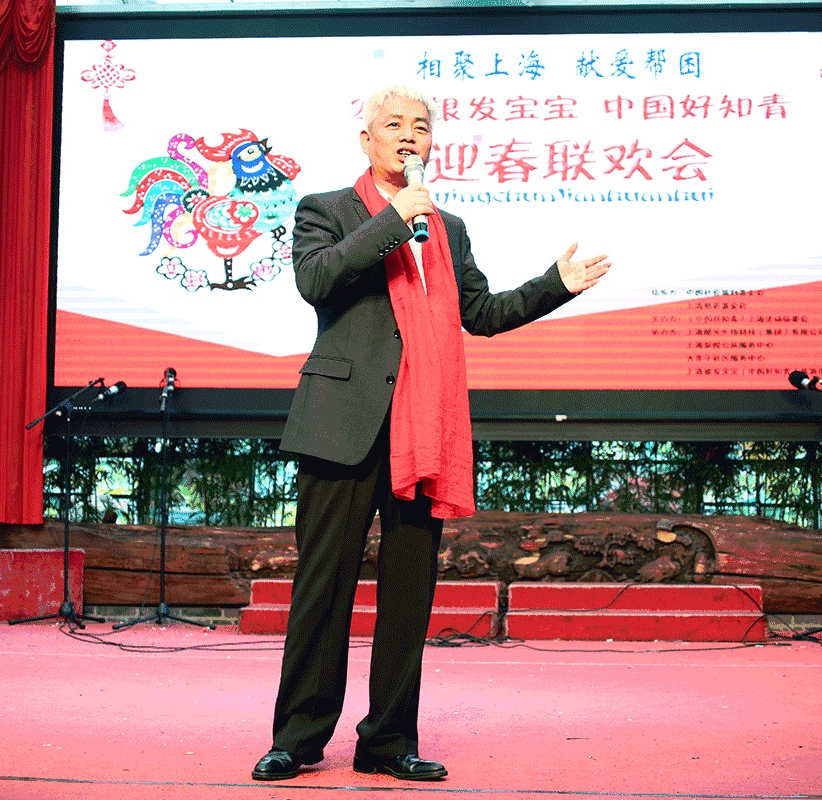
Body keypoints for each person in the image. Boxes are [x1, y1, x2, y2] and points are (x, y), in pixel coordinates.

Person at [252, 84, 610, 783]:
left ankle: (388, 741)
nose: (409, 135)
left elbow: (481, 313)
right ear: (367, 141)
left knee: (408, 594)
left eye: (420, 126)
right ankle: (297, 738)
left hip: (424, 428)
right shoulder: (326, 209)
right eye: (393, 125)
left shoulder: (449, 228)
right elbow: (317, 280)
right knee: (322, 588)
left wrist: (554, 285)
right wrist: (394, 220)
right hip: (342, 426)